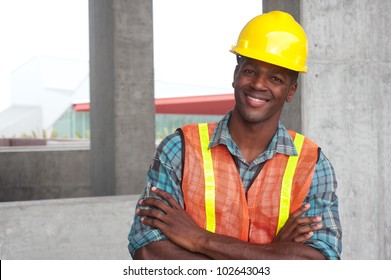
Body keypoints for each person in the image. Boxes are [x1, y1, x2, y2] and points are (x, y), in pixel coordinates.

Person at [128, 10, 342, 260]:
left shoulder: (312, 164)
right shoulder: (180, 148)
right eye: (250, 71)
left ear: (291, 91)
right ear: (235, 75)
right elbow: (148, 252)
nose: (259, 84)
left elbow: (319, 262)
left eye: (275, 77)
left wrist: (199, 239)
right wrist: (274, 253)